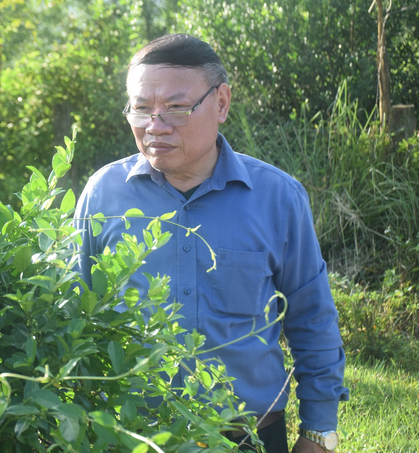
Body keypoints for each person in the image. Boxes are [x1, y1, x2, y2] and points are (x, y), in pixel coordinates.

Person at [73, 34, 349, 453]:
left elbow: (312, 321)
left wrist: (318, 433)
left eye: (177, 108)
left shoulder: (277, 198)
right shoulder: (103, 195)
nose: (155, 125)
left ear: (221, 103)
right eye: (141, 109)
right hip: (130, 437)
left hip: (249, 438)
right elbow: (74, 316)